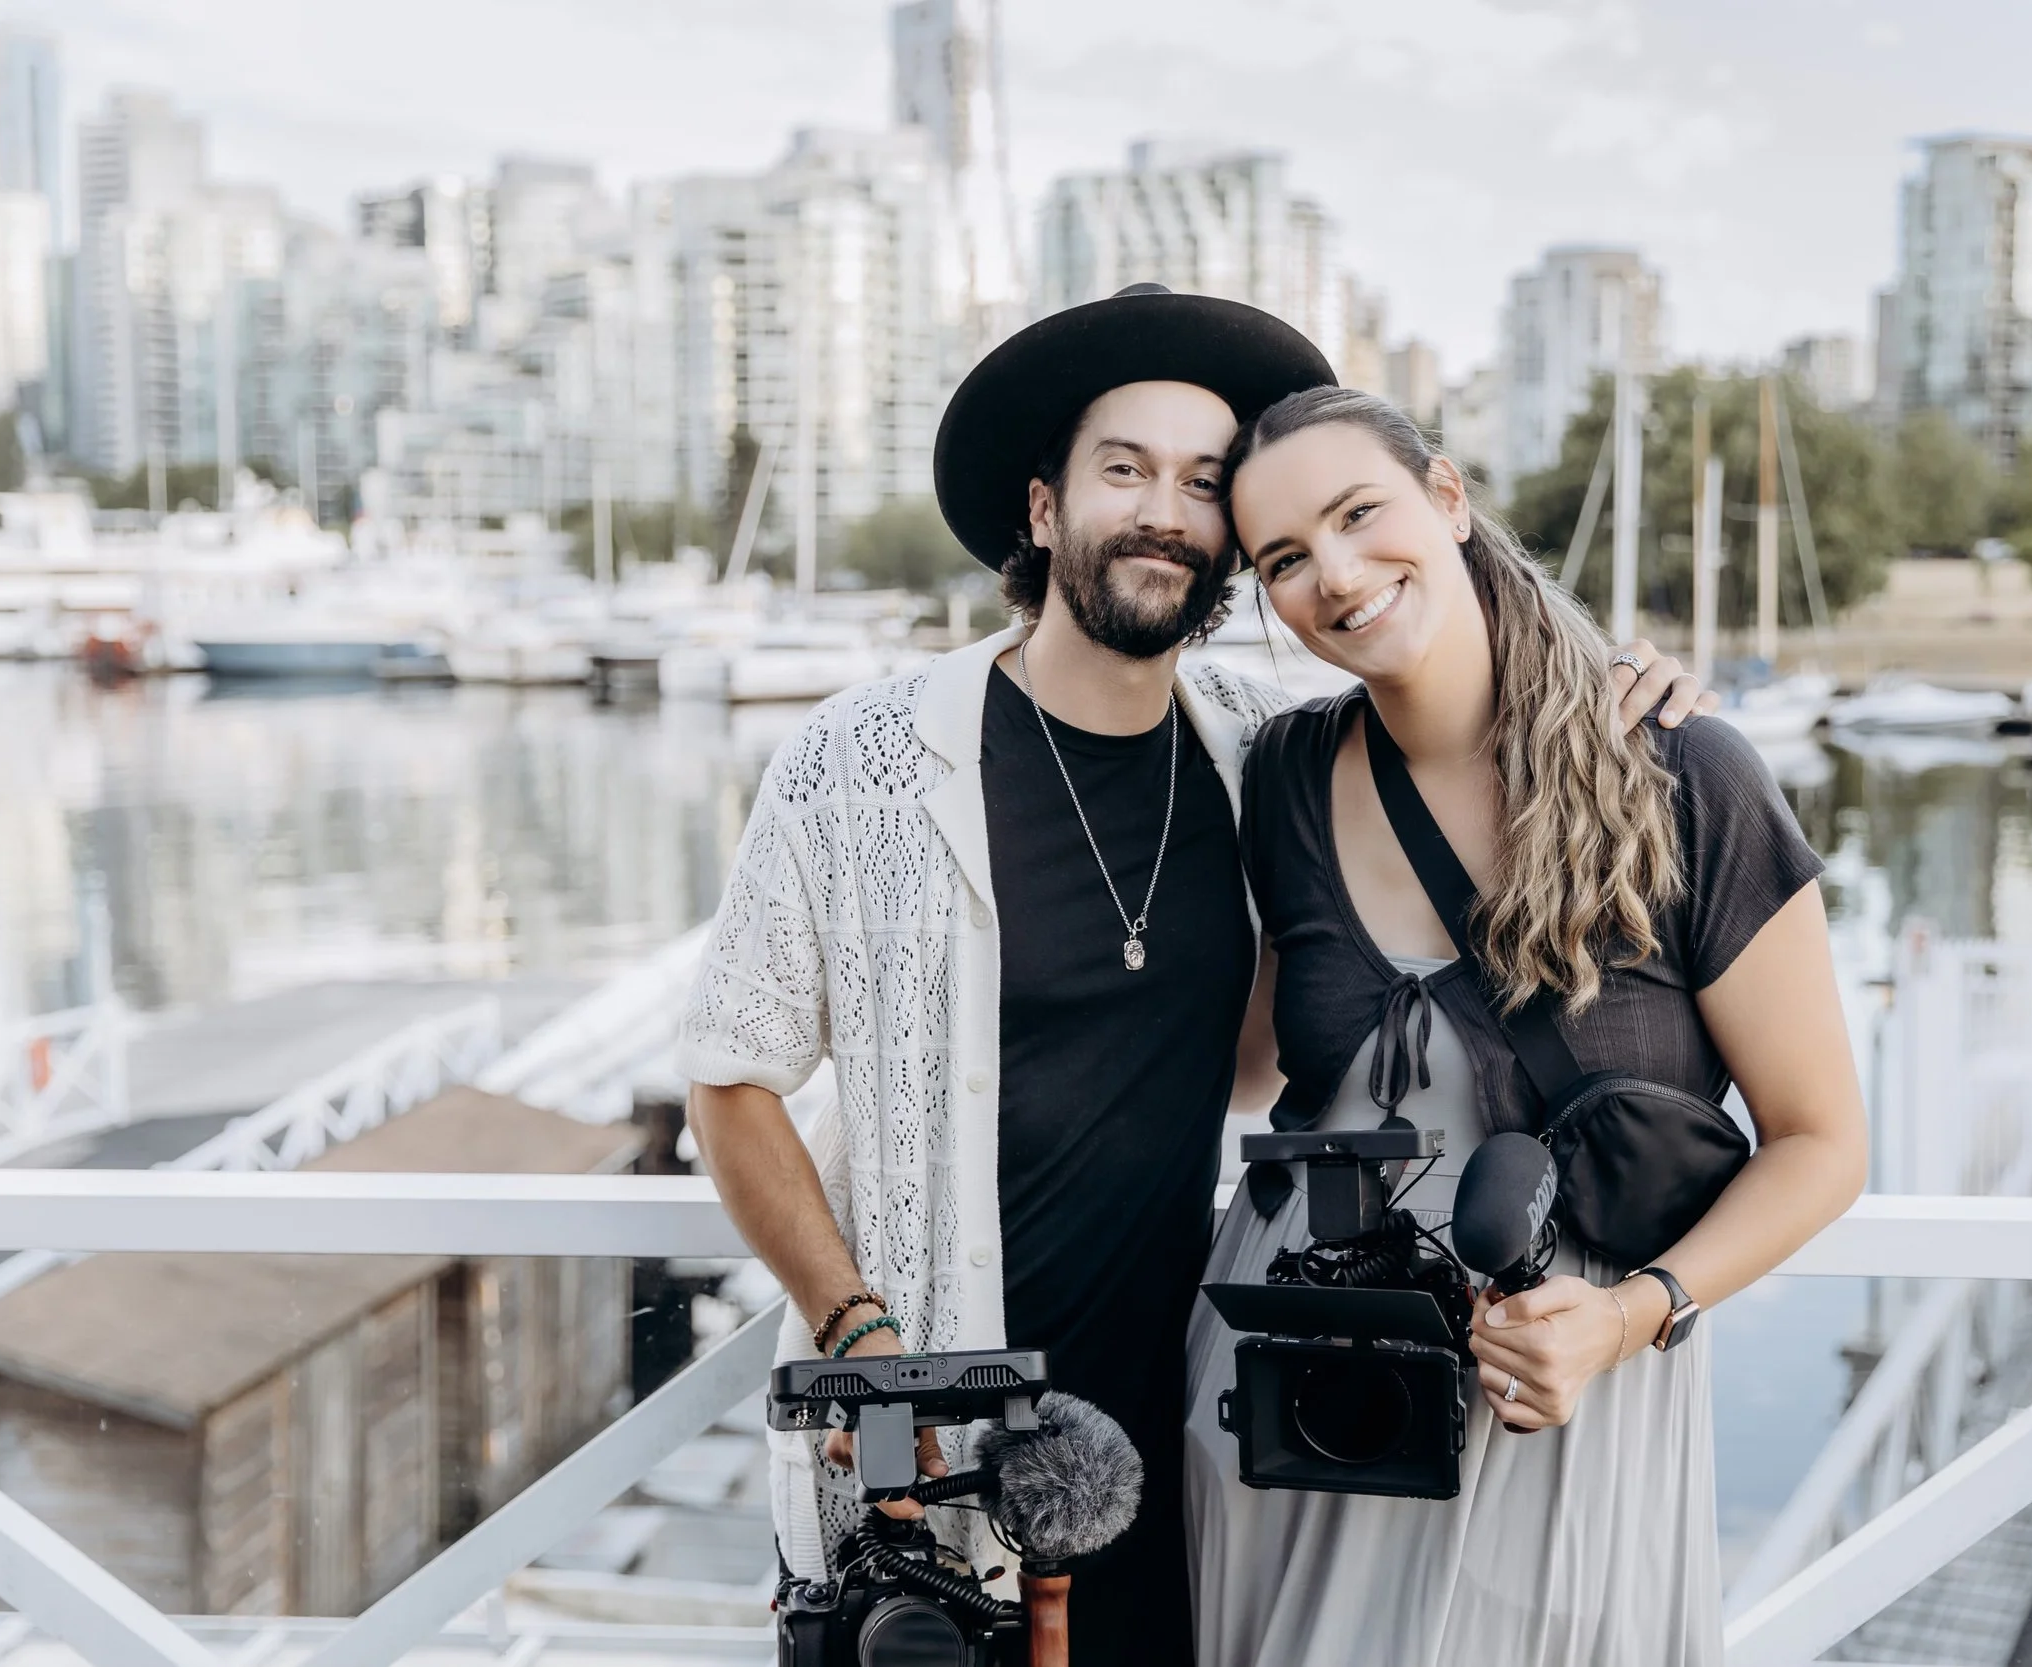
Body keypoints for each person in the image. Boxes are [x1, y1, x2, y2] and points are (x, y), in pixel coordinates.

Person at [674, 287, 1715, 1665]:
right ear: (1043, 511)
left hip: (1203, 1418)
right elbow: (732, 1075)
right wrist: (857, 1325)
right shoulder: (857, 762)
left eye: (1203, 482)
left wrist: (1618, 681)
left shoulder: (1263, 751)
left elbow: (1449, 697)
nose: (1164, 508)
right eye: (1125, 469)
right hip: (940, 1434)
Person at [1187, 386, 1868, 1667]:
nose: (1333, 575)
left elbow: (1822, 1140)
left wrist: (1628, 1317)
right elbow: (1246, 1061)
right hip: (1289, 1390)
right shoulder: (1276, 768)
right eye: (1283, 557)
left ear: (1447, 498)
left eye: (1357, 514)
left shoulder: (1680, 769)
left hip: (1553, 1394)